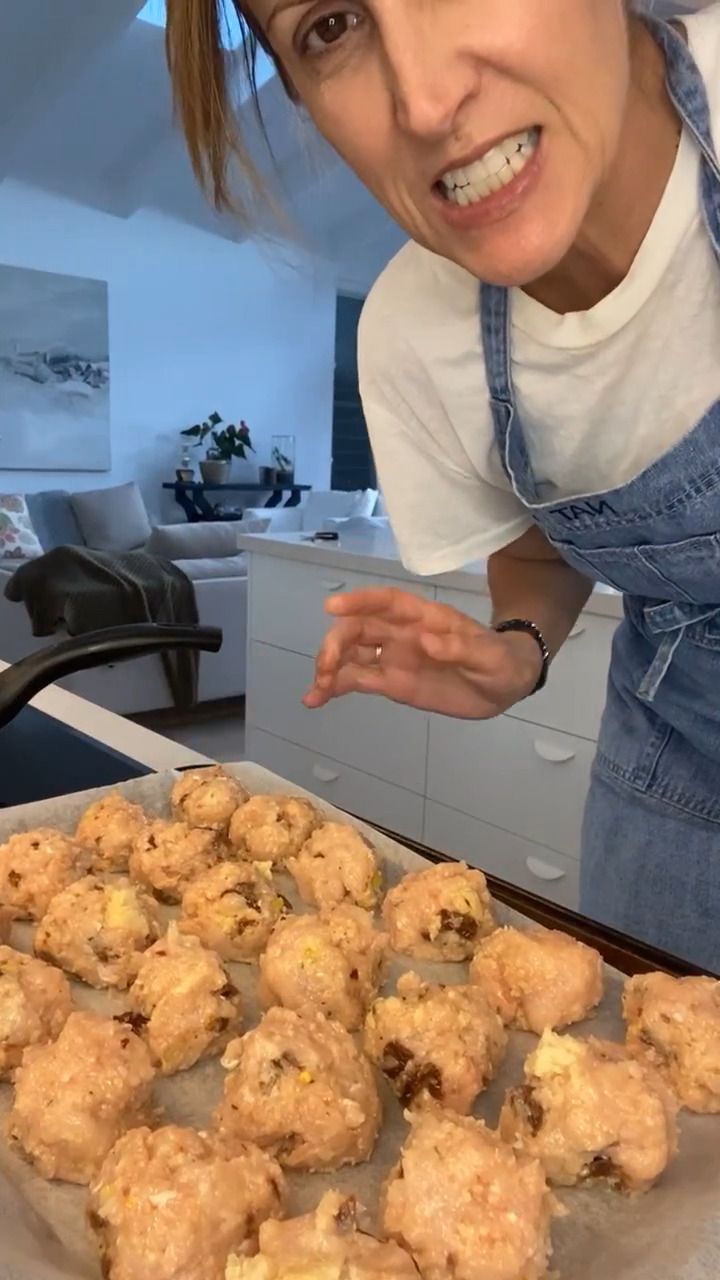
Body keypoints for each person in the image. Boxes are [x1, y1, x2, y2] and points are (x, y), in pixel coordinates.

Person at [166, 0, 720, 972]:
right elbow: (542, 547)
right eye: (331, 26)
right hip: (679, 775)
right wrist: (516, 646)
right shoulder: (418, 339)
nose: (423, 102)